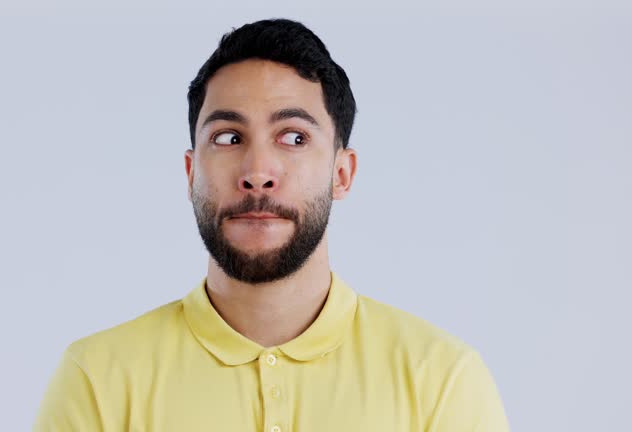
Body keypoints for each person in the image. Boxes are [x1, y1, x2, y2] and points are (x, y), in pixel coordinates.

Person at [34, 18, 510, 432]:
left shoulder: (441, 381)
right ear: (190, 172)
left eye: (294, 137)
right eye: (228, 136)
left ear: (342, 173)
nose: (258, 169)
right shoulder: (97, 380)